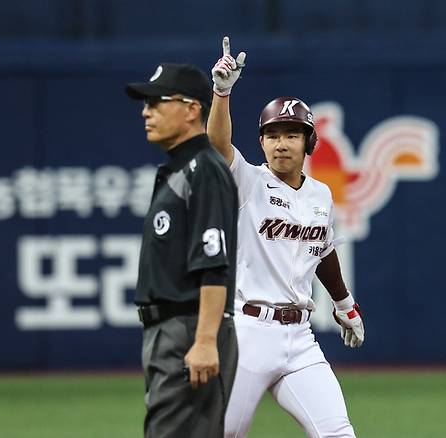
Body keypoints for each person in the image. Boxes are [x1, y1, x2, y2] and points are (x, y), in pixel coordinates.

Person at [207, 37, 365, 437]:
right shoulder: (248, 181)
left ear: (309, 143)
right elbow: (217, 144)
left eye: (292, 134)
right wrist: (222, 92)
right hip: (247, 333)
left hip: (300, 338)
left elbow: (323, 250)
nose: (281, 142)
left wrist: (344, 303)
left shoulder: (320, 195)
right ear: (261, 142)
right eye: (273, 134)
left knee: (338, 433)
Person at [125, 62, 239, 438]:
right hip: (169, 331)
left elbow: (213, 263)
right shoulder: (180, 169)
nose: (146, 111)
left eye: (157, 102)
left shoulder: (203, 169)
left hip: (190, 329)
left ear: (192, 109)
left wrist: (205, 340)